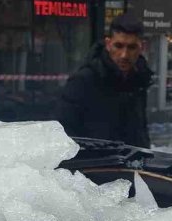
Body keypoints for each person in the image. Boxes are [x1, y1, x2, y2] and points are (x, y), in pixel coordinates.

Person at [54, 13, 154, 148]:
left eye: (131, 47)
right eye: (118, 46)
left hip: (130, 164)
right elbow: (63, 130)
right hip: (94, 165)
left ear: (142, 47)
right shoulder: (84, 81)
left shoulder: (139, 80)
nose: (124, 55)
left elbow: (139, 130)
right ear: (108, 44)